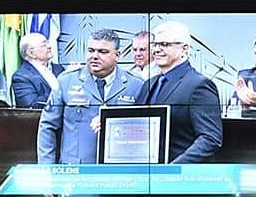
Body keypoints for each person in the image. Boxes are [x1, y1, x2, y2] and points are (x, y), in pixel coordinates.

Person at [37, 29, 144, 165]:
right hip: (75, 169)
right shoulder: (66, 81)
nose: (94, 56)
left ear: (117, 55)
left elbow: (144, 130)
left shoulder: (136, 84)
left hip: (120, 169)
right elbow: (48, 126)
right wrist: (46, 168)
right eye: (91, 50)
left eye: (102, 52)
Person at [137, 21, 222, 163]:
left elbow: (210, 139)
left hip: (179, 179)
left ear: (184, 48)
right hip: (145, 174)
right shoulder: (149, 84)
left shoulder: (199, 85)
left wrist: (173, 169)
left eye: (164, 44)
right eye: (155, 44)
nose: (156, 50)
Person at [11, 32, 65, 109]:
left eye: (48, 43)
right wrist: (59, 93)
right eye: (44, 45)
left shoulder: (59, 69)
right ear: (31, 53)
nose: (49, 46)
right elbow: (32, 105)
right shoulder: (21, 77)